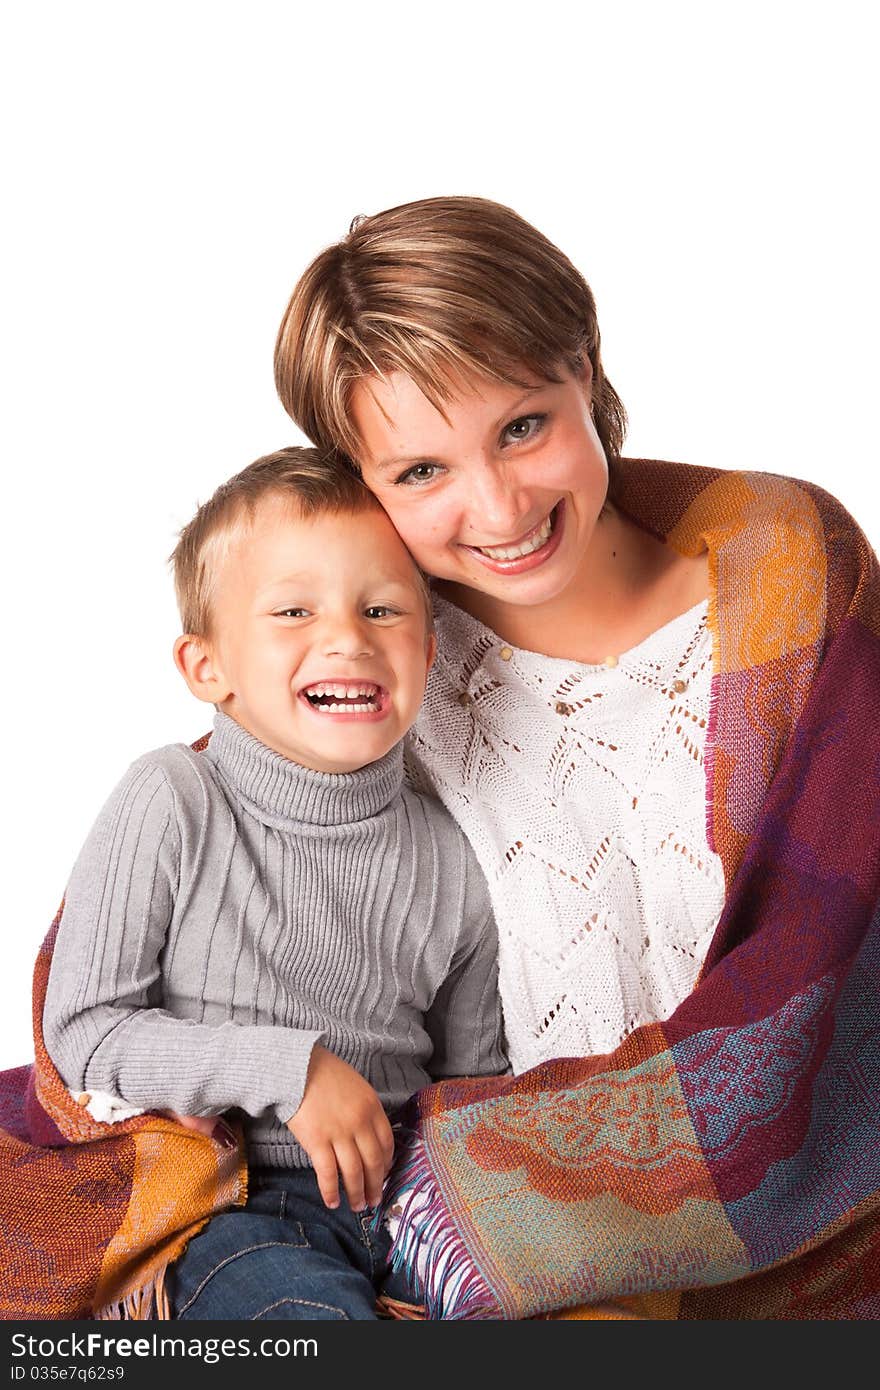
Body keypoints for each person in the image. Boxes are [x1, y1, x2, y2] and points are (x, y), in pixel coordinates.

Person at [272, 196, 880, 1319]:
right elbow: (162, 918)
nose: (498, 507)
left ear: (584, 371)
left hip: (828, 1239)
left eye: (521, 427)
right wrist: (286, 1073)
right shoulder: (362, 669)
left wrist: (457, 1189)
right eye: (419, 472)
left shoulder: (785, 581)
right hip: (507, 1290)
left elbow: (836, 978)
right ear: (359, 483)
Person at [41, 446, 506, 1321]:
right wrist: (291, 1070)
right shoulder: (174, 797)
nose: (346, 636)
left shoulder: (452, 854)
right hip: (244, 1207)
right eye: (294, 610)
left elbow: (472, 1087)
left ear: (430, 648)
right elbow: (84, 1033)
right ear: (206, 668)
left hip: (411, 1206)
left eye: (382, 608)